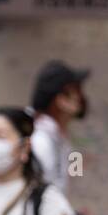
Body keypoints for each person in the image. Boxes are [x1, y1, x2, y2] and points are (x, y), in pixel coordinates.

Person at [30, 61, 90, 197]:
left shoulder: (58, 138)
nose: (80, 97)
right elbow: (39, 195)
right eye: (76, 91)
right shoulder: (40, 141)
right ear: (61, 99)